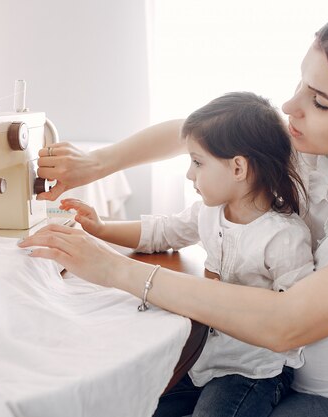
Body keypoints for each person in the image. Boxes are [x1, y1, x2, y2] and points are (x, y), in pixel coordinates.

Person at [20, 10, 328, 417]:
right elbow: (201, 132)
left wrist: (112, 269)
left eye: (319, 102)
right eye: (300, 83)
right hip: (289, 376)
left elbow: (287, 322)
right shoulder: (314, 158)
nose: (290, 106)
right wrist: (98, 165)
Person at [58, 92, 314, 417]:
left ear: (238, 168)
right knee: (140, 403)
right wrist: (100, 227)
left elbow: (299, 318)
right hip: (205, 357)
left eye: (197, 162)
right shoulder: (208, 212)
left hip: (253, 371)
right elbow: (162, 233)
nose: (190, 175)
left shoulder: (283, 237)